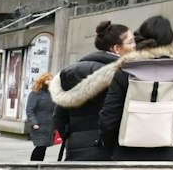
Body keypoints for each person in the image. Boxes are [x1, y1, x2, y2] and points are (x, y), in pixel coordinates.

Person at [96, 14, 173, 161]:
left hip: (125, 155)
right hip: (166, 157)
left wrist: (115, 149)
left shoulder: (126, 70)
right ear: (170, 40)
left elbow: (108, 121)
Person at [50, 20, 132, 162]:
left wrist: (73, 138)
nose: (136, 47)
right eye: (131, 42)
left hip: (75, 149)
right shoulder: (120, 74)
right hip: (108, 150)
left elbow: (58, 116)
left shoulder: (70, 72)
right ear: (116, 48)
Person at [25, 73, 58, 161]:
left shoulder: (52, 93)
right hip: (39, 125)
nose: (51, 81)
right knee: (40, 145)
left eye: (52, 79)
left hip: (49, 125)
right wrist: (34, 123)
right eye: (48, 79)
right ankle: (34, 163)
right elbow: (30, 110)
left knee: (43, 147)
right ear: (43, 81)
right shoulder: (35, 93)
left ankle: (38, 163)